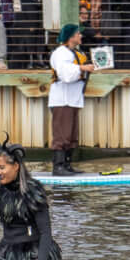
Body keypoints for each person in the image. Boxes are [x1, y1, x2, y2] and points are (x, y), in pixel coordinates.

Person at [48, 21, 89, 174]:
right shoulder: (60, 53)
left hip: (72, 98)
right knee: (62, 134)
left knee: (71, 134)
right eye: (78, 33)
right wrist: (82, 68)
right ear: (71, 37)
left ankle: (67, 165)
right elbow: (65, 75)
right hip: (62, 99)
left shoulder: (74, 53)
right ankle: (58, 166)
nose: (81, 36)